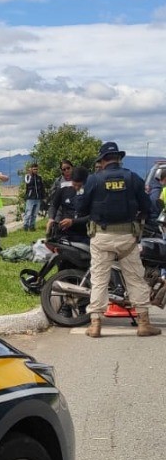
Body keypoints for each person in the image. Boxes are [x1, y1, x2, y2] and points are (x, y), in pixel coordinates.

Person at [74, 141, 160, 338]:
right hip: (127, 238)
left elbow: (81, 209)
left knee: (99, 280)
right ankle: (144, 323)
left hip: (101, 237)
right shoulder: (132, 178)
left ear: (102, 160)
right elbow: (148, 207)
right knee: (135, 279)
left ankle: (95, 324)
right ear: (119, 159)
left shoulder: (94, 180)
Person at [48, 166, 90, 243]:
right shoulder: (63, 188)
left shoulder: (91, 191)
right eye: (74, 185)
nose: (77, 188)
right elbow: (53, 205)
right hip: (65, 234)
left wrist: (73, 222)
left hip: (85, 234)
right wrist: (51, 218)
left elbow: (94, 215)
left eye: (80, 186)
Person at [23, 161, 46, 231]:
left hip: (38, 198)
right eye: (34, 169)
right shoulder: (28, 176)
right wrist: (31, 175)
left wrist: (43, 197)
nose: (35, 170)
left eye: (36, 169)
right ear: (31, 169)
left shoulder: (39, 177)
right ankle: (26, 226)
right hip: (30, 198)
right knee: (28, 213)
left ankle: (32, 226)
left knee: (34, 214)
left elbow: (42, 187)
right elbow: (28, 183)